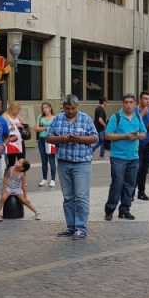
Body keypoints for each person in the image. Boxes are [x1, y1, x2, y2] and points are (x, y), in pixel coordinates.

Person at [46, 94, 98, 240]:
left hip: (82, 163)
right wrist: (62, 139)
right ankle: (71, 227)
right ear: (63, 107)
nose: (70, 111)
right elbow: (49, 137)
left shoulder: (85, 118)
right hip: (63, 162)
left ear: (77, 107)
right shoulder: (58, 119)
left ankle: (81, 227)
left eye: (72, 108)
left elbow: (95, 137)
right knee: (68, 197)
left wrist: (79, 139)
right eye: (67, 108)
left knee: (81, 197)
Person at [104, 94, 148, 221]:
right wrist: (124, 136)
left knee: (130, 184)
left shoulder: (138, 117)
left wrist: (137, 135)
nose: (129, 105)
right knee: (117, 183)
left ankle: (125, 210)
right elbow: (107, 135)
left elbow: (144, 133)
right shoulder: (116, 117)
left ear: (135, 104)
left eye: (131, 102)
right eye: (126, 102)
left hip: (133, 156)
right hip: (118, 157)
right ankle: (110, 209)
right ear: (123, 104)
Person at [134, 91, 149, 201]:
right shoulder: (135, 111)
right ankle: (131, 191)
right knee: (136, 168)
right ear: (140, 99)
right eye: (145, 98)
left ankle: (141, 192)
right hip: (138, 143)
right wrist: (142, 113)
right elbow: (133, 125)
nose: (147, 101)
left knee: (144, 169)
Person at [35, 102, 57, 187]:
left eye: (46, 107)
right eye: (43, 108)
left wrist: (43, 128)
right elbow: (36, 128)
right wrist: (46, 128)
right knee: (44, 160)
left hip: (51, 140)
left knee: (51, 160)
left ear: (50, 108)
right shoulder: (40, 117)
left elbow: (56, 129)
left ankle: (52, 179)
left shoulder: (55, 118)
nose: (45, 109)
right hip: (42, 140)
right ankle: (44, 179)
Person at [2, 102, 25, 167]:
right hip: (11, 141)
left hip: (20, 140)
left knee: (22, 160)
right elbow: (3, 129)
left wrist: (21, 125)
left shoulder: (17, 115)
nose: (18, 111)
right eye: (17, 109)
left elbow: (23, 124)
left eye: (19, 110)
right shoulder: (5, 116)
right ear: (12, 109)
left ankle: (21, 176)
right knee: (11, 161)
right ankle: (9, 176)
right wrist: (12, 126)